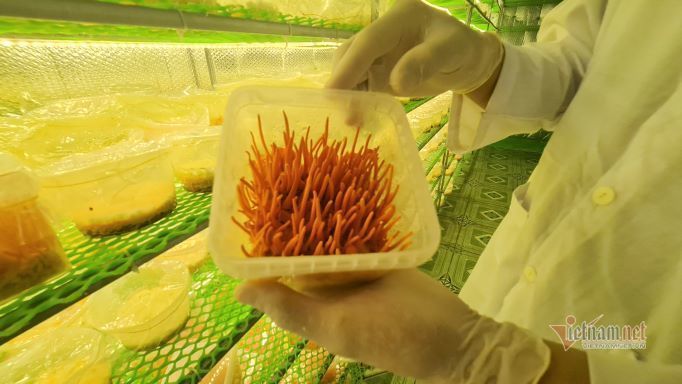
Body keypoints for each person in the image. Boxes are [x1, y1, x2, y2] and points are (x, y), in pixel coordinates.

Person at [235, 0, 682, 382]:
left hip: (633, 332)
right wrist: (484, 67)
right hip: (537, 241)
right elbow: (579, 68)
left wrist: (493, 363)